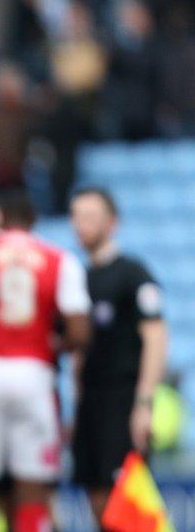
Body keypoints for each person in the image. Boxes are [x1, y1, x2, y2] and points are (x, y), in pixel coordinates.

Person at [0, 192, 91, 532]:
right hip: (32, 372)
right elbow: (81, 331)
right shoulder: (58, 258)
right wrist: (55, 345)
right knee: (32, 482)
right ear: (33, 220)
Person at [70, 187, 168, 528]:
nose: (81, 225)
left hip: (122, 400)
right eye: (76, 216)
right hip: (91, 404)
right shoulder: (77, 279)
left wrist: (144, 403)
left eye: (90, 217)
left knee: (125, 501)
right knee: (95, 494)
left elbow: (156, 336)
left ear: (112, 223)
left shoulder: (132, 274)